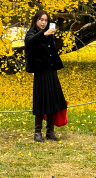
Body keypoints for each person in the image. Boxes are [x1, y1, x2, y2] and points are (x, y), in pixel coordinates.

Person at [25, 10, 66, 143]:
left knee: (53, 100)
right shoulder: (31, 33)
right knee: (41, 100)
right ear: (36, 21)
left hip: (51, 70)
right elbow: (30, 42)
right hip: (40, 71)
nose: (43, 22)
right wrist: (44, 33)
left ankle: (50, 131)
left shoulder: (49, 34)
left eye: (46, 20)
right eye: (41, 20)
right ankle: (37, 132)